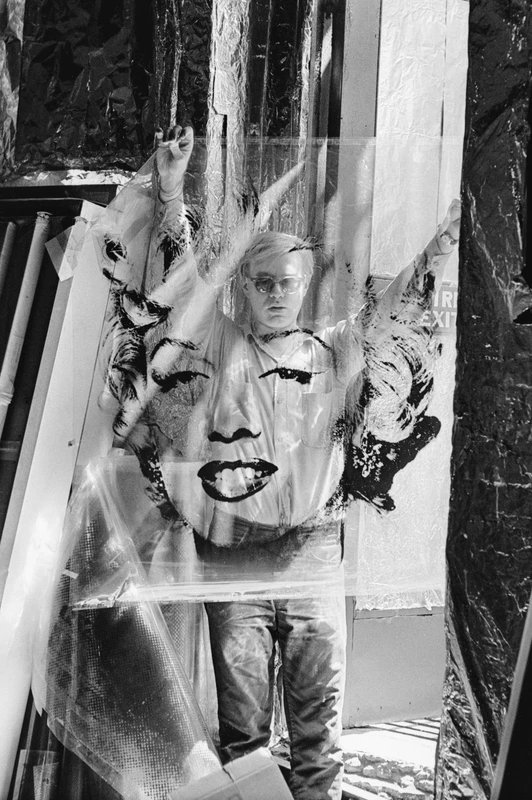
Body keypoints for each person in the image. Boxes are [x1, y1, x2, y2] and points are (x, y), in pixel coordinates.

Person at [103, 125, 460, 800]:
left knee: (319, 736)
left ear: (303, 286)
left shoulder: (331, 354)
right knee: (245, 741)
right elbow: (187, 281)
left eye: (286, 283)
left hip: (311, 555)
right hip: (231, 557)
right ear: (244, 286)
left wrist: (444, 237)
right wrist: (172, 190)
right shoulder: (219, 344)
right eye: (261, 281)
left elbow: (394, 310)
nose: (274, 293)